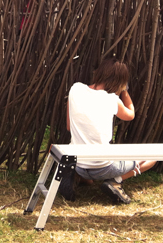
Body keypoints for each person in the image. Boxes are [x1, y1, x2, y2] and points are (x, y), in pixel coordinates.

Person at [63, 58, 156, 203]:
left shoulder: (76, 89)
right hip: (102, 167)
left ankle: (77, 176)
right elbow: (130, 115)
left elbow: (69, 127)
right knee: (152, 157)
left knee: (86, 165)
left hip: (78, 163)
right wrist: (124, 92)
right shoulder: (112, 99)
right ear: (120, 81)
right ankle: (115, 181)